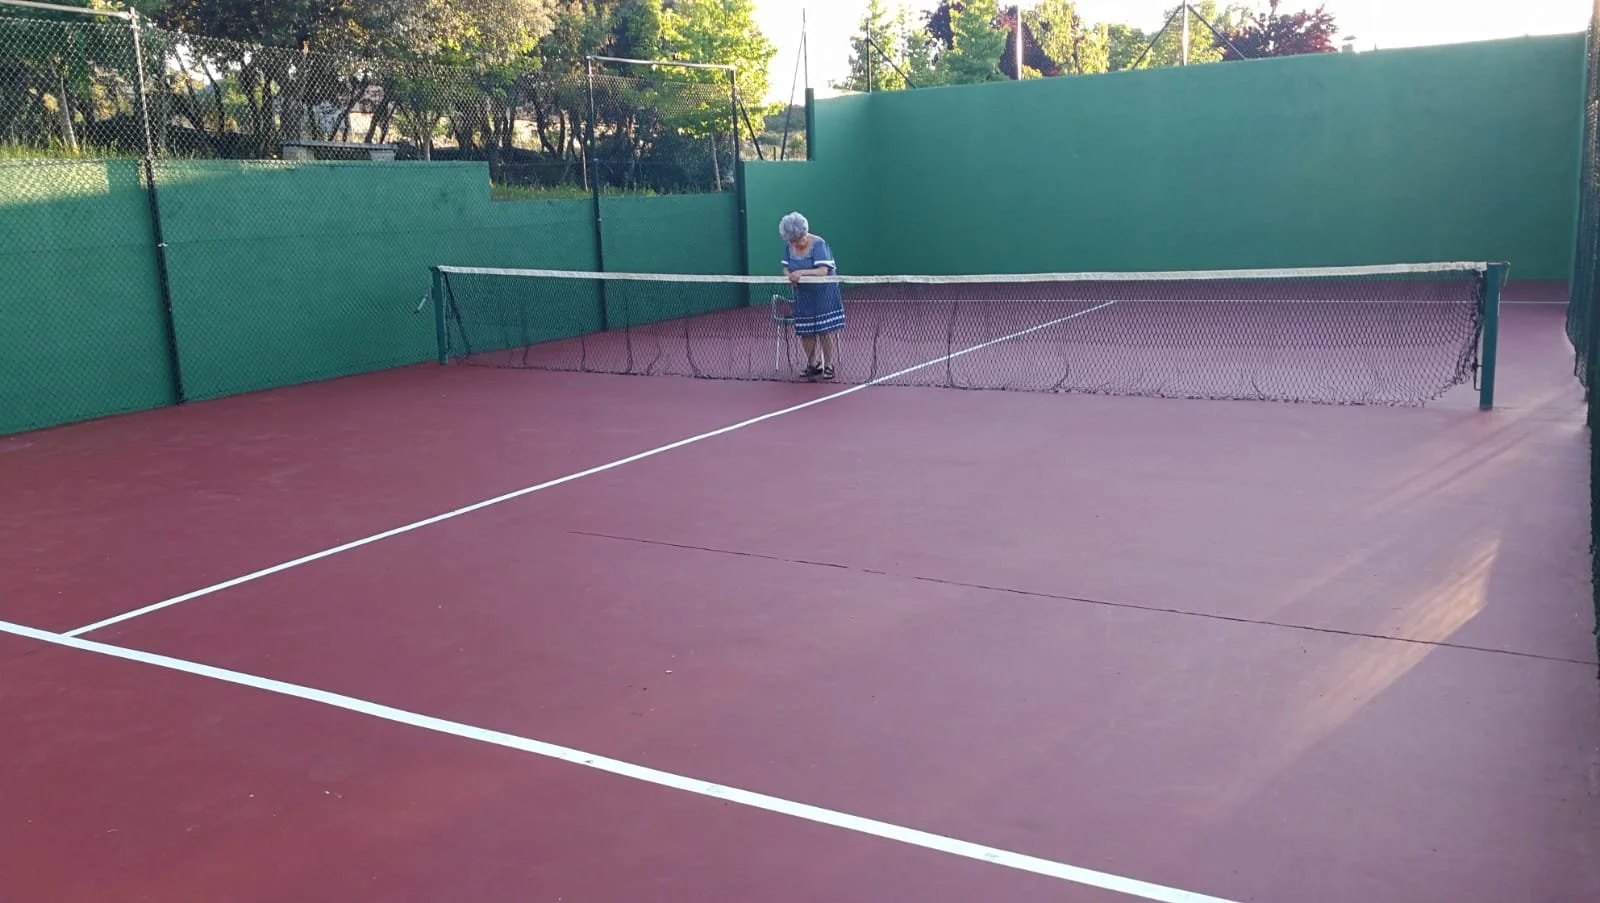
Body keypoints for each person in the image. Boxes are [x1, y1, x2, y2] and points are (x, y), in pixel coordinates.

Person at [779, 211, 845, 381]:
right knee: (805, 330)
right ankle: (812, 364)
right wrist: (789, 275)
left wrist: (800, 272)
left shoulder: (819, 244)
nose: (795, 243)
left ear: (804, 233)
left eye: (798, 240)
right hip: (803, 293)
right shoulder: (789, 245)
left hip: (824, 292)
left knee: (824, 330)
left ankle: (828, 365)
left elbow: (823, 271)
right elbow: (786, 267)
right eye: (792, 241)